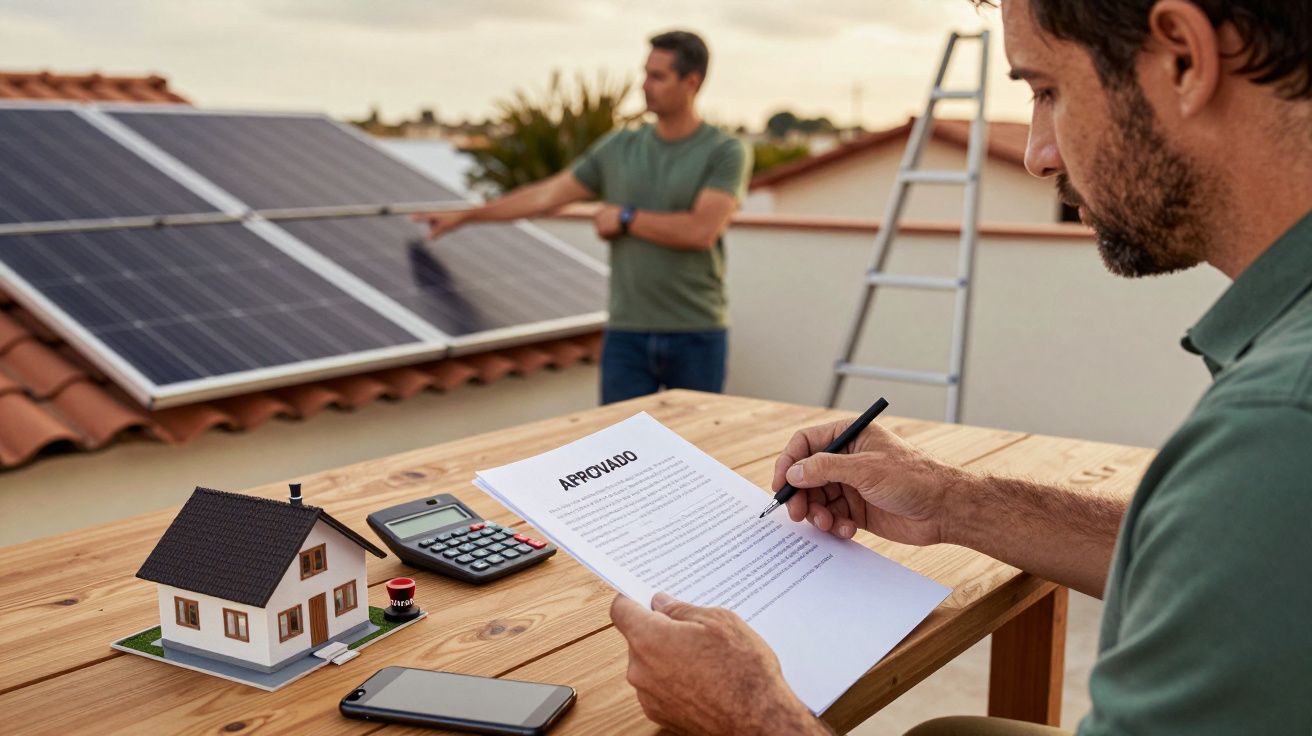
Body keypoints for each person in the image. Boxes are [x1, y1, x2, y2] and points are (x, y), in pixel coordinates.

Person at [609, 0, 1312, 734]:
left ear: (1184, 59)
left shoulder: (1279, 429)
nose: (1039, 151)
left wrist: (748, 717)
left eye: (1047, 91)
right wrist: (950, 500)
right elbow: (1213, 555)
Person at [413, 30, 751, 405]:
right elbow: (545, 194)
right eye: (645, 73)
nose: (644, 85)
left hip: (697, 333)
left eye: (658, 76)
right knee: (621, 452)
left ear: (692, 81)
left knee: (698, 450)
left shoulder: (725, 151)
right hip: (627, 333)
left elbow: (701, 230)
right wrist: (466, 217)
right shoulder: (620, 146)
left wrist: (625, 217)